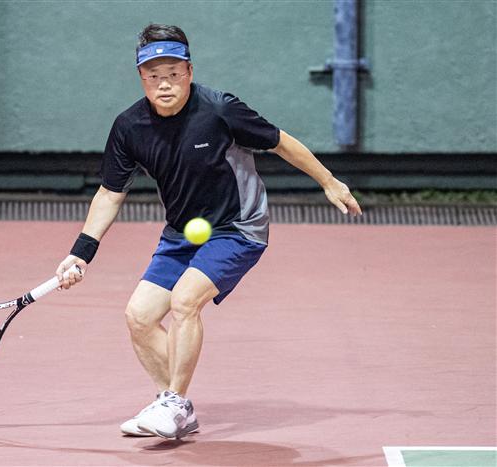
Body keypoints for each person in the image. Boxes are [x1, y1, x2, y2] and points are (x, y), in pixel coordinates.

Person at [55, 23, 362, 440]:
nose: (164, 84)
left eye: (173, 73)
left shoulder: (220, 110)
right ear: (141, 77)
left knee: (185, 301)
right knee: (139, 317)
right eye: (154, 76)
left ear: (189, 71)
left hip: (239, 227)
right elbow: (110, 194)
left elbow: (280, 142)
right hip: (181, 233)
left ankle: (174, 402)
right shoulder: (129, 127)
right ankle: (174, 405)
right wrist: (81, 252)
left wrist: (329, 181)